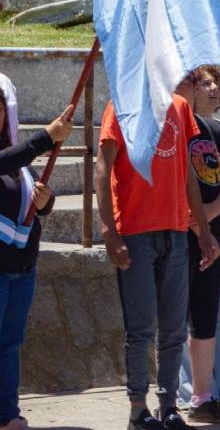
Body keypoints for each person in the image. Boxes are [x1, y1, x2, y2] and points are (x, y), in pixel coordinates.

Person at [97, 80, 219, 430]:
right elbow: (104, 168)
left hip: (176, 231)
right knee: (140, 330)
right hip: (134, 231)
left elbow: (187, 175)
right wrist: (109, 230)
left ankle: (169, 407)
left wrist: (204, 230)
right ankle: (138, 409)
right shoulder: (121, 102)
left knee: (173, 329)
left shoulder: (180, 107)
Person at [166, 73, 220, 425]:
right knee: (172, 320)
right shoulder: (164, 129)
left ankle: (203, 398)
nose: (196, 86)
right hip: (175, 236)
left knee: (206, 317)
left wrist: (208, 217)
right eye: (190, 80)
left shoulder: (211, 130)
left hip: (210, 236)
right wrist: (193, 221)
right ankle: (169, 400)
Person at [0, 78, 71, 430]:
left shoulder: (19, 161)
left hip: (21, 268)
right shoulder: (13, 156)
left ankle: (8, 413)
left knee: (10, 344)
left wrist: (46, 201)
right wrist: (46, 137)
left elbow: (31, 198)